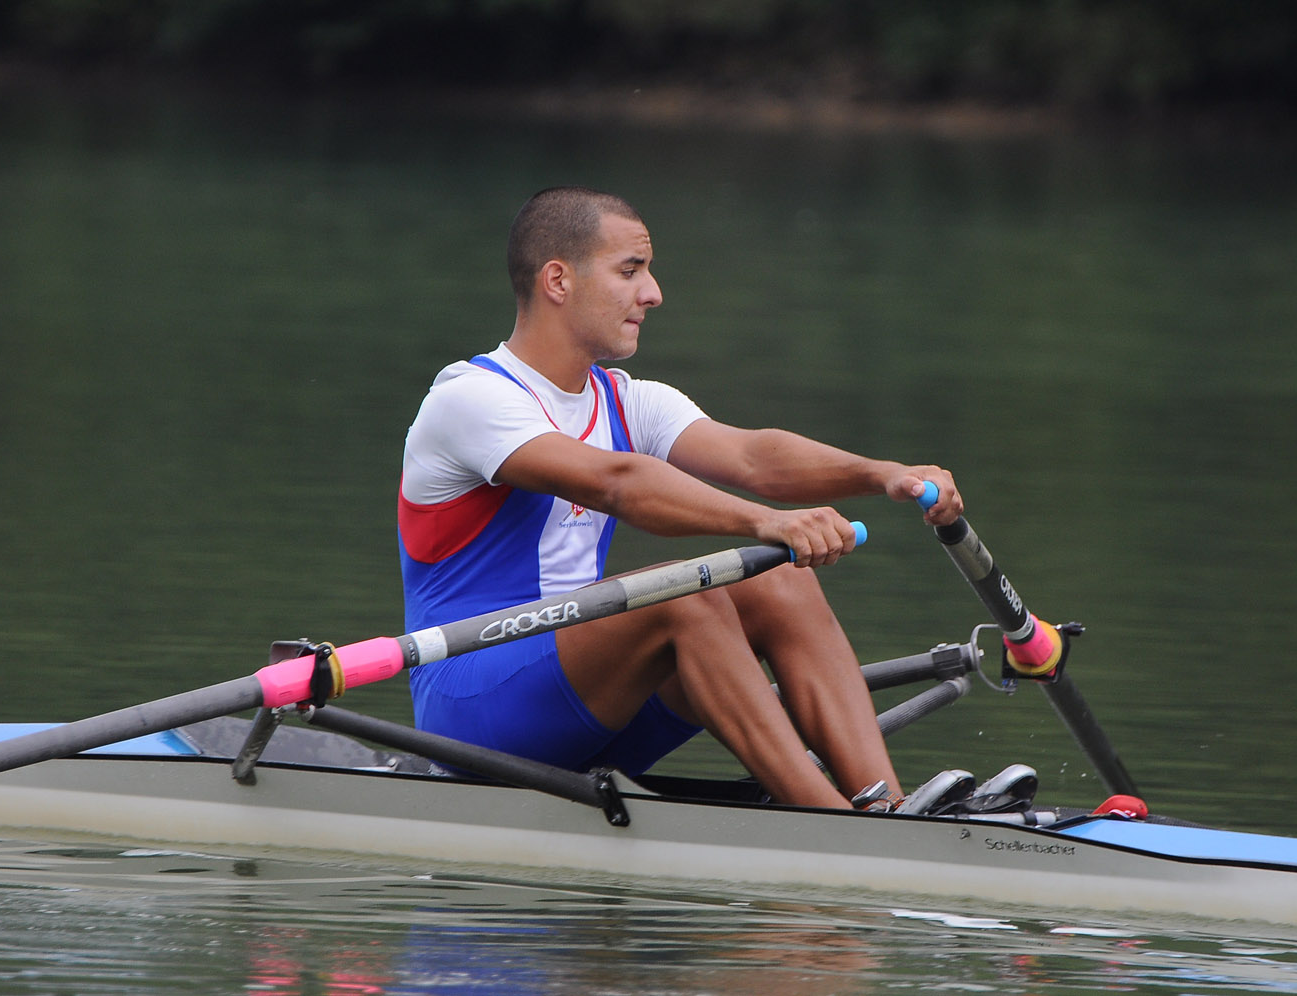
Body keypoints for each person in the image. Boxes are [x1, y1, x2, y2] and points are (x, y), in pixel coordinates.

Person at [399, 186, 964, 810]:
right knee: (685, 597)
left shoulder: (628, 401)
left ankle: (884, 806)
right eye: (630, 271)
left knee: (782, 583)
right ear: (558, 280)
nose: (653, 293)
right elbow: (617, 482)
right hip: (471, 710)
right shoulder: (470, 400)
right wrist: (767, 523)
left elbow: (753, 457)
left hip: (582, 703)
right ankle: (831, 823)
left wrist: (883, 474)